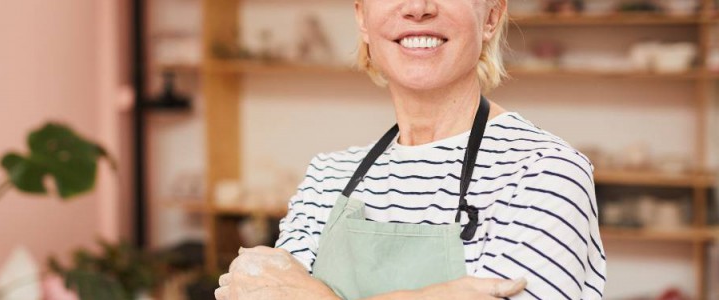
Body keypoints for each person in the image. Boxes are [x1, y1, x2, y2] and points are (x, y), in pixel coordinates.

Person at [215, 0, 607, 299]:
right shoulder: (328, 177)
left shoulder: (543, 172)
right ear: (362, 18)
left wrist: (315, 294)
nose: (418, 8)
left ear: (490, 16)